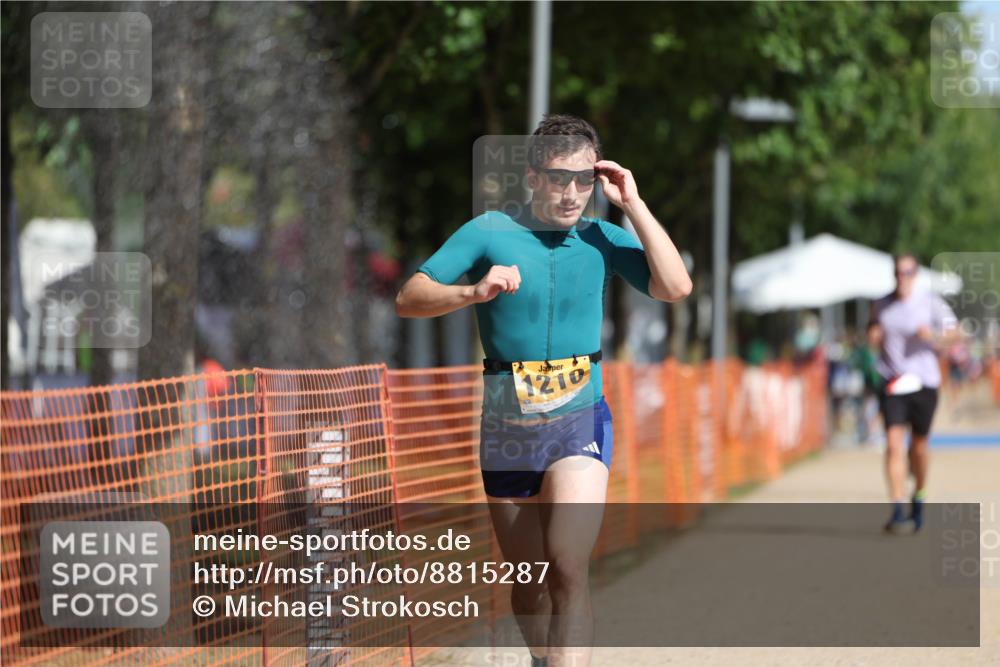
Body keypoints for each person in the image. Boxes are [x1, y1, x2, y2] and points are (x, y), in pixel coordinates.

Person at [395, 114, 692, 666]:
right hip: (507, 427)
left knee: (568, 567)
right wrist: (473, 293)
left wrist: (633, 203)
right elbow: (410, 297)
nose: (573, 193)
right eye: (560, 178)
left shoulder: (602, 237)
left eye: (585, 180)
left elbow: (674, 287)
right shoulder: (489, 231)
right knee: (529, 582)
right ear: (533, 178)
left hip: (579, 419)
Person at [868, 253, 959, 534]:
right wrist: (873, 335)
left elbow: (956, 334)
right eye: (897, 272)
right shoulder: (882, 305)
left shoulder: (930, 302)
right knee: (894, 444)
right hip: (893, 382)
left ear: (915, 275)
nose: (901, 278)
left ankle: (919, 494)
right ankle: (897, 508)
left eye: (907, 272)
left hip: (924, 383)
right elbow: (872, 328)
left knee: (918, 446)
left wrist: (932, 336)